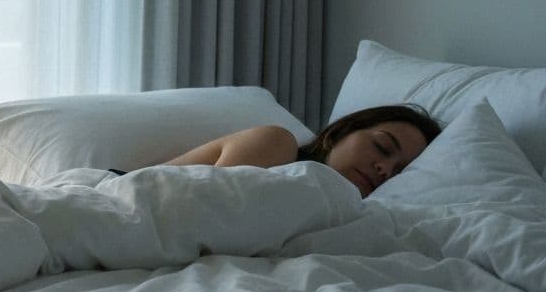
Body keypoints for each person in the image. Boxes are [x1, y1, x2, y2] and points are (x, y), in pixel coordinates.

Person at [162, 104, 442, 198]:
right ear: (339, 133)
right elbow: (208, 212)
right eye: (382, 147)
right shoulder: (276, 143)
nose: (385, 170)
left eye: (399, 172)